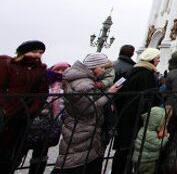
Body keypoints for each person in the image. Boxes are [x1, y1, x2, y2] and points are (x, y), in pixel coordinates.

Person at [53, 53, 122, 174]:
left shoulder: (84, 80)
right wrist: (109, 93)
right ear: (94, 67)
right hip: (82, 126)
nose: (104, 70)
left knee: (78, 157)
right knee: (74, 160)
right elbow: (88, 108)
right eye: (102, 67)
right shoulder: (84, 84)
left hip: (82, 126)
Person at [0, 40, 48, 174]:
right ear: (23, 52)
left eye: (41, 53)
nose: (38, 55)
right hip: (5, 114)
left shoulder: (40, 70)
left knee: (11, 154)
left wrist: (31, 110)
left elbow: (42, 94)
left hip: (23, 118)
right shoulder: (6, 65)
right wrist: (7, 109)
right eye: (34, 52)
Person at [112, 48, 162, 174]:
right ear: (151, 60)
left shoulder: (133, 71)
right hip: (136, 119)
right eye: (157, 58)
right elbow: (149, 98)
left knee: (124, 151)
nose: (159, 60)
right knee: (129, 151)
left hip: (126, 117)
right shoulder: (146, 75)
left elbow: (119, 93)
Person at [131, 106, 168, 174]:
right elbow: (158, 145)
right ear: (156, 122)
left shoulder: (142, 129)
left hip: (137, 159)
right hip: (147, 162)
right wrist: (166, 138)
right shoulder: (151, 134)